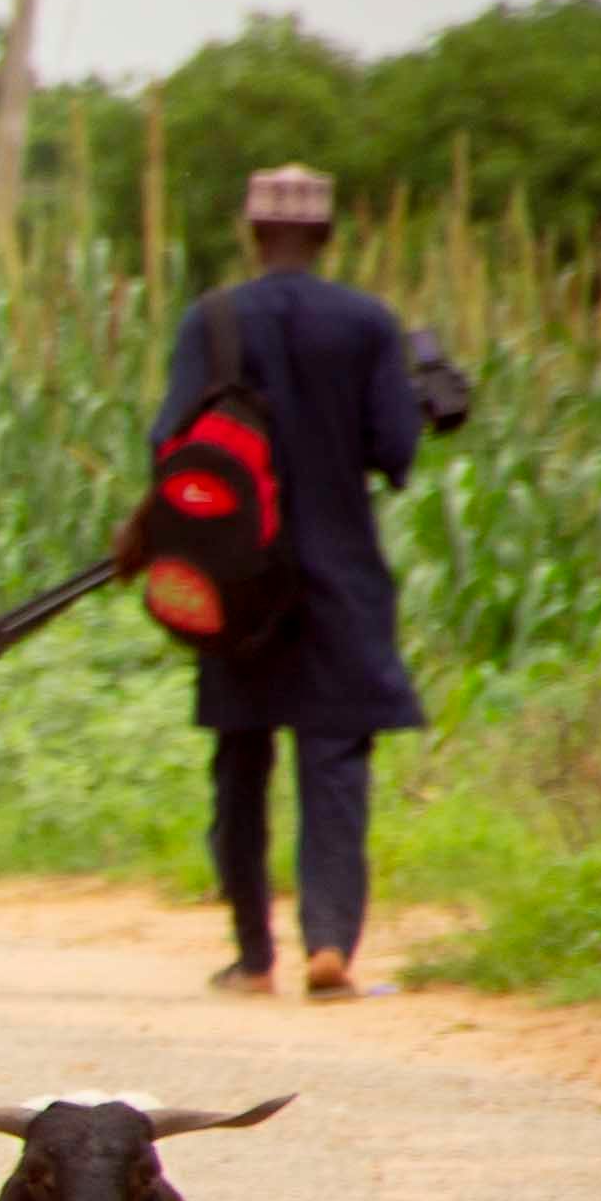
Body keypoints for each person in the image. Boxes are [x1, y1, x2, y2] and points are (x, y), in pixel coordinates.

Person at [131, 164, 429, 999]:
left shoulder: (215, 319)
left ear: (255, 233)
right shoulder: (367, 322)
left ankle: (253, 956)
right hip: (340, 578)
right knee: (334, 763)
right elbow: (395, 451)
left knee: (241, 758)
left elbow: (170, 445)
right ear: (326, 237)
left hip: (239, 582)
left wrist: (149, 539)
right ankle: (329, 943)